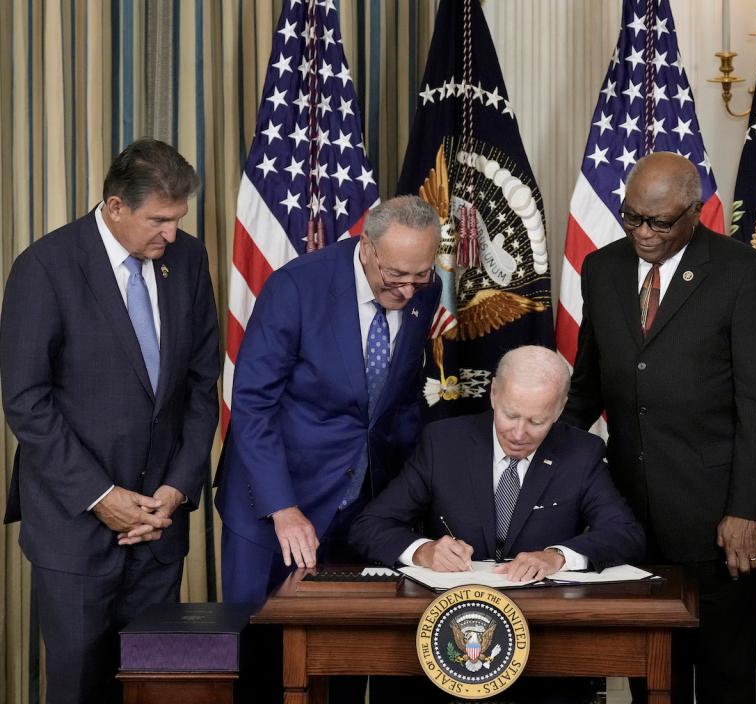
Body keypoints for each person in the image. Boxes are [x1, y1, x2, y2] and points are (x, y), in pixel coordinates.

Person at [561, 151, 756, 703]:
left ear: (694, 213)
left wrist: (747, 511)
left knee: (723, 680)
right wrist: (532, 458)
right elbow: (589, 384)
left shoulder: (741, 272)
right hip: (631, 519)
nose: (642, 232)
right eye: (631, 217)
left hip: (718, 520)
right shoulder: (603, 269)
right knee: (652, 678)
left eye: (659, 222)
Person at [0, 139, 220, 704]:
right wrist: (101, 496)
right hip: (74, 531)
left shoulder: (188, 260)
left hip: (159, 528)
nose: (172, 233)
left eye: (178, 218)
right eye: (159, 220)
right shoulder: (45, 266)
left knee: (153, 688)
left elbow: (201, 387)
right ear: (116, 206)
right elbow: (26, 401)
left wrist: (176, 489)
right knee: (79, 689)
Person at [350, 345, 645, 704]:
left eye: (537, 421)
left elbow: (625, 533)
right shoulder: (443, 442)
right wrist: (424, 551)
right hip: (442, 639)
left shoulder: (582, 452)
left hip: (545, 646)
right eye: (510, 415)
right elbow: (370, 525)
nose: (519, 433)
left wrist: (557, 556)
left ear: (559, 409)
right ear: (493, 393)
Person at [215, 195, 442, 603]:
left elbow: (402, 397)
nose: (409, 290)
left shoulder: (427, 289)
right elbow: (253, 404)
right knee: (256, 633)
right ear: (368, 248)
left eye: (420, 276)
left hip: (361, 506)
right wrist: (282, 507)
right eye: (396, 275)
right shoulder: (297, 287)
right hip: (276, 502)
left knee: (344, 634)